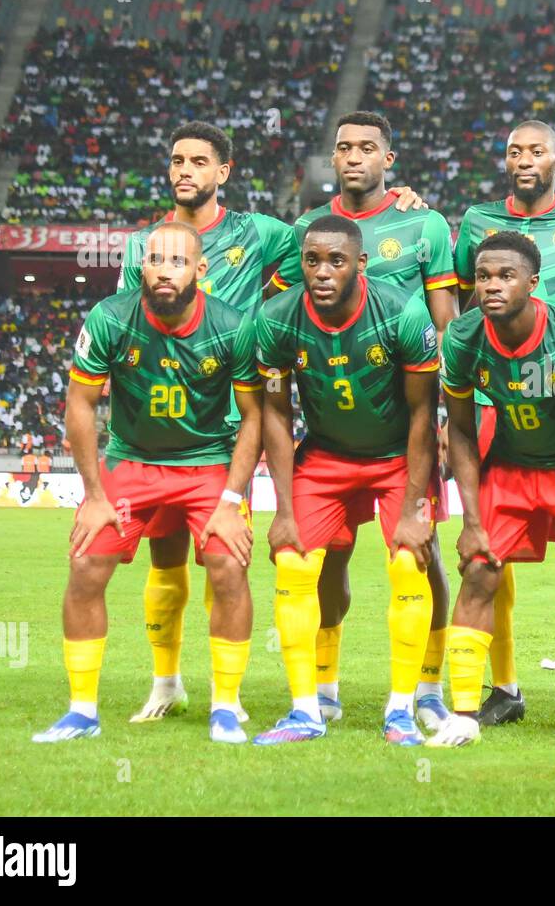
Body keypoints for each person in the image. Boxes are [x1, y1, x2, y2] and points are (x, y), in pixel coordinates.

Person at [119, 119, 426, 726]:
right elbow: (138, 322)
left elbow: (333, 242)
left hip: (232, 422)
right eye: (177, 160)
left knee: (224, 555)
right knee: (165, 555)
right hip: (166, 421)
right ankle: (168, 680)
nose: (186, 171)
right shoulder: (142, 247)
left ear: (222, 173)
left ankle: (227, 696)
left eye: (199, 162)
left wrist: (403, 201)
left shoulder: (261, 233)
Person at [33, 223, 262, 744]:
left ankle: (225, 706)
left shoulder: (232, 326)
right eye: (156, 259)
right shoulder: (110, 319)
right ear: (143, 264)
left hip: (206, 463)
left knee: (228, 566)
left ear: (201, 270)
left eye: (178, 261)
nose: (165, 269)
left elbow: (254, 416)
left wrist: (231, 498)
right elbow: (81, 403)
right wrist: (93, 496)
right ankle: (82, 711)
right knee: (87, 563)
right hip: (132, 462)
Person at [273, 111, 457, 731]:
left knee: (420, 554)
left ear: (389, 158)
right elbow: (279, 306)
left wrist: (448, 422)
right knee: (326, 561)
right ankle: (320, 693)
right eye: (343, 148)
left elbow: (446, 321)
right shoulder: (308, 229)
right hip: (330, 429)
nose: (353, 157)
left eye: (366, 148)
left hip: (406, 411)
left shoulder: (423, 222)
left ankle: (424, 687)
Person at [452, 119, 555, 730]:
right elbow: (463, 299)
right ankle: (503, 687)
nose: (524, 160)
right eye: (514, 151)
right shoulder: (475, 222)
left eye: (537, 151)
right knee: (488, 563)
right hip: (507, 395)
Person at [431, 231, 555, 754]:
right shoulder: (463, 336)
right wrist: (470, 519)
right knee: (478, 568)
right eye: (483, 276)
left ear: (533, 283)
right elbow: (463, 433)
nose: (491, 286)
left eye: (505, 276)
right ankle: (465, 712)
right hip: (511, 469)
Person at [253, 215, 439, 746]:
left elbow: (425, 414)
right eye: (312, 260)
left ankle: (401, 709)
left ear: (360, 263)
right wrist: (283, 509)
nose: (322, 271)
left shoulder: (403, 312)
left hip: (396, 459)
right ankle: (307, 710)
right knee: (292, 561)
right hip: (325, 457)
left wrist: (413, 510)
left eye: (336, 260)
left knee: (409, 563)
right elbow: (275, 412)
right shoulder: (277, 318)